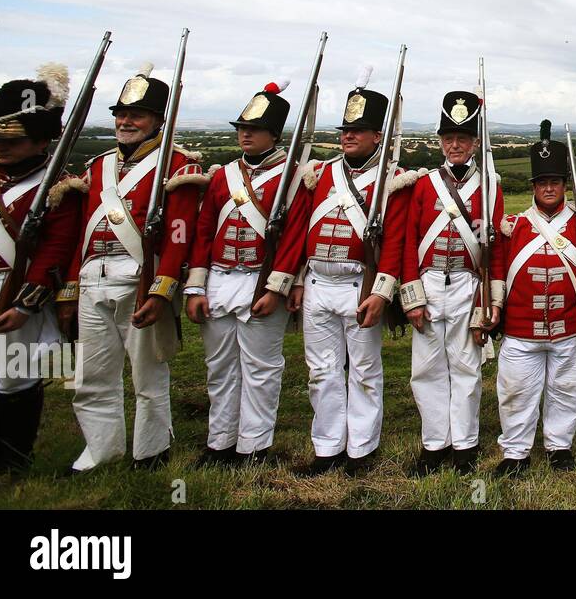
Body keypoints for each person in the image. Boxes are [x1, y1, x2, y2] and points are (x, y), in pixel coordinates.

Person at [262, 68, 415, 475]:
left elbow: (396, 241)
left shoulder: (394, 180)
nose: (348, 136)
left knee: (364, 370)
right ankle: (327, 446)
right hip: (316, 284)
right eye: (346, 129)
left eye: (359, 130)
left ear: (377, 137)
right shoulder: (319, 174)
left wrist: (381, 293)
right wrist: (293, 281)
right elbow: (297, 231)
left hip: (358, 286)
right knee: (321, 370)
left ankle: (361, 448)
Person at [64, 64, 206, 473]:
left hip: (141, 279)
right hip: (94, 279)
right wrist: (71, 288)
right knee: (92, 374)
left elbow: (179, 235)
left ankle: (151, 448)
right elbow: (81, 235)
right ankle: (100, 448)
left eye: (136, 115)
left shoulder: (177, 166)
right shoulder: (97, 166)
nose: (125, 121)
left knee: (148, 375)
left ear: (158, 121)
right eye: (121, 113)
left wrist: (162, 291)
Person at [488, 120, 576, 476]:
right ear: (534, 186)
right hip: (521, 329)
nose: (548, 188)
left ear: (563, 185)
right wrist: (494, 306)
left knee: (565, 390)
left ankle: (559, 446)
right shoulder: (515, 225)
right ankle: (515, 452)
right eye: (542, 182)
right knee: (516, 391)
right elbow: (498, 270)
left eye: (554, 182)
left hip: (569, 326)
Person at [184, 82, 294, 466]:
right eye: (241, 128)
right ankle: (220, 443)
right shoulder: (223, 176)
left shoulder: (291, 176)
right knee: (220, 369)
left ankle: (255, 446)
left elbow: (294, 238)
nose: (245, 134)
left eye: (254, 129)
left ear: (274, 135)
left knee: (261, 370)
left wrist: (276, 288)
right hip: (218, 279)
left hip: (259, 284)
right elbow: (202, 232)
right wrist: (195, 287)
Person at [0, 65, 82, 472]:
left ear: (41, 140)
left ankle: (15, 457)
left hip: (16, 289)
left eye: (15, 140)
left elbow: (55, 249)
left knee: (15, 374)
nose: (2, 148)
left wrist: (26, 302)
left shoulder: (58, 186)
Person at [400, 89, 503, 475]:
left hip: (467, 284)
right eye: (448, 138)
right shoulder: (424, 185)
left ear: (475, 142)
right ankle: (433, 445)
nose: (454, 145)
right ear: (441, 141)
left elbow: (493, 251)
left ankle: (465, 444)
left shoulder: (490, 184)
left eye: (462, 138)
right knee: (425, 368)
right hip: (428, 283)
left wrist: (488, 302)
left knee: (466, 367)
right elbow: (410, 241)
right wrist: (410, 296)